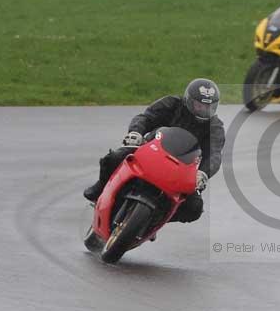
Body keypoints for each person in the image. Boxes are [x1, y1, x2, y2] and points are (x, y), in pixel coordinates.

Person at [83, 78, 225, 224]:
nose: (204, 110)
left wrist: (203, 173)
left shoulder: (215, 127)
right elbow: (146, 118)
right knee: (113, 158)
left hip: (182, 169)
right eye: (199, 105)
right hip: (151, 151)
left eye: (209, 107)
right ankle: (101, 187)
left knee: (194, 208)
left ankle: (155, 219)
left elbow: (215, 154)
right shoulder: (172, 103)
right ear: (188, 100)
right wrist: (136, 133)